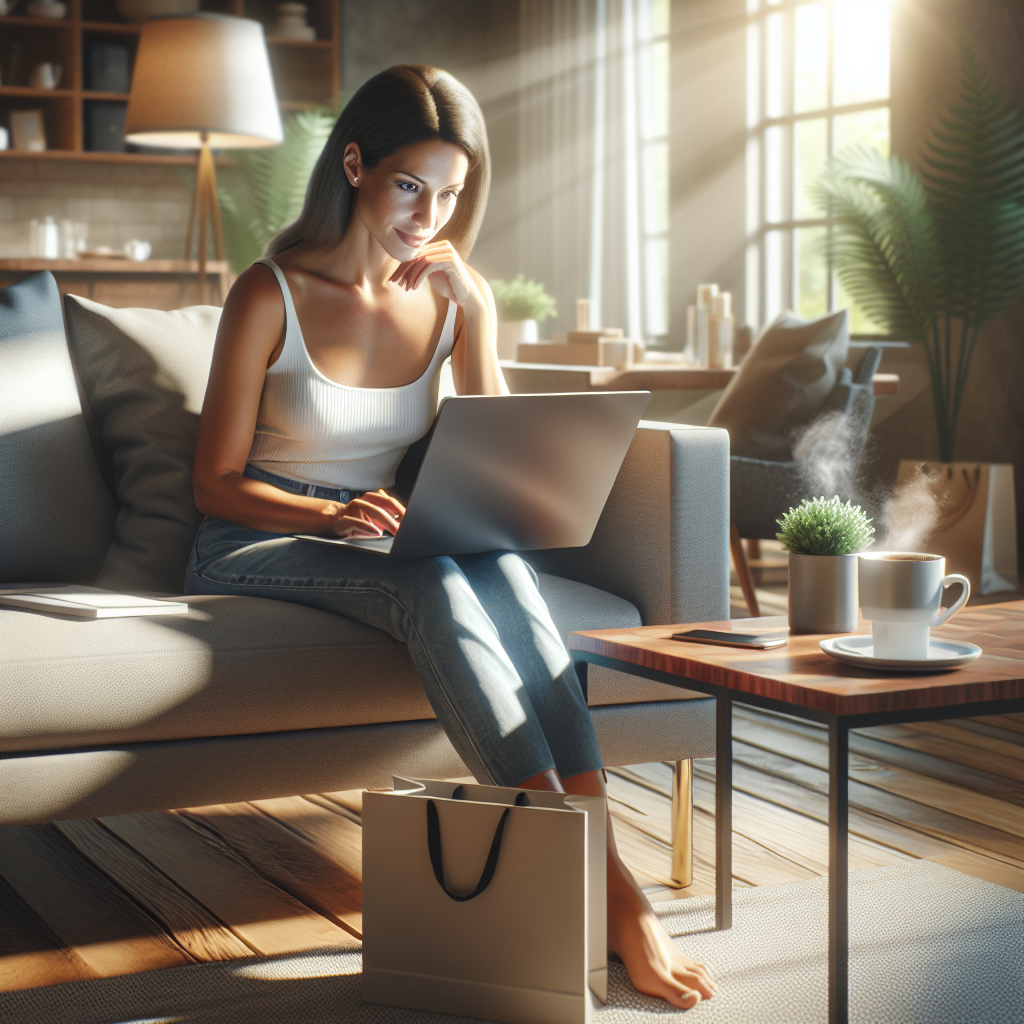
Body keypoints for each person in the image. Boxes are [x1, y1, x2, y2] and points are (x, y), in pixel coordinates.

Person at [187, 63, 715, 1009]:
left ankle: (607, 882)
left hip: (386, 532)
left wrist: (476, 319)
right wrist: (328, 514)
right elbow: (214, 483)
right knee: (429, 582)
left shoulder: (444, 296)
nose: (428, 215)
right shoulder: (271, 292)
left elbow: (493, 460)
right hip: (260, 535)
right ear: (354, 164)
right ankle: (611, 895)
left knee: (498, 561)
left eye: (449, 194)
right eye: (407, 185)